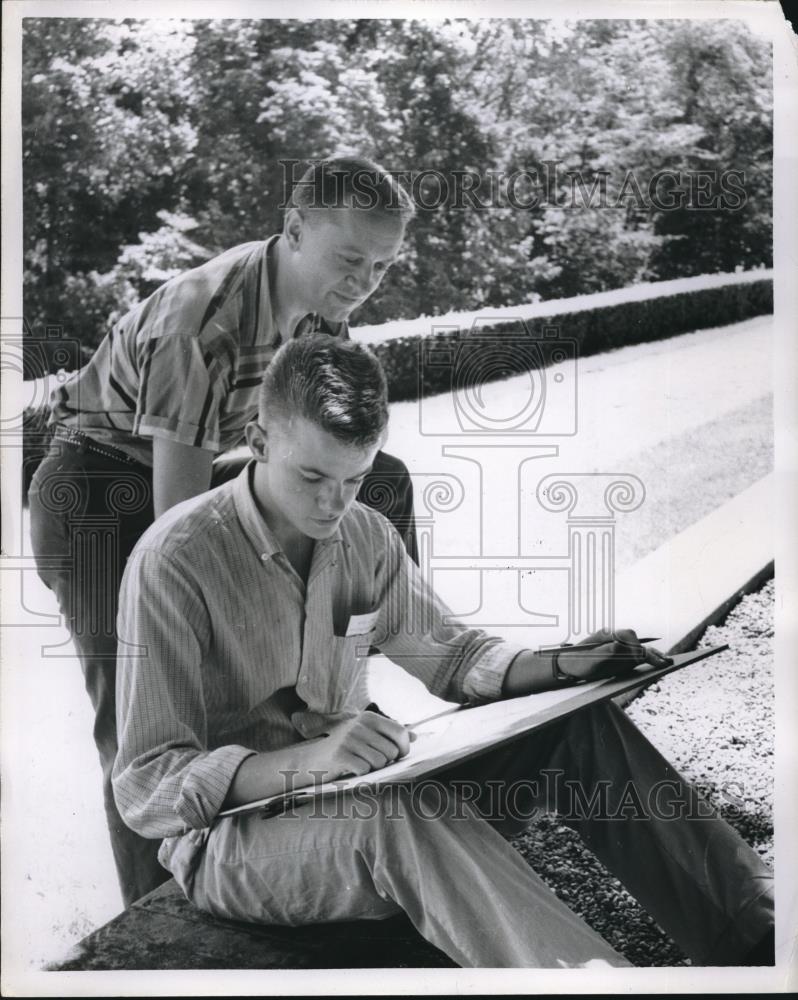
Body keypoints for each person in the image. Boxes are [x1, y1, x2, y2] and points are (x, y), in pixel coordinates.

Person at [113, 335, 774, 968]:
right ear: (258, 441)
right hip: (236, 844)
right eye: (312, 475)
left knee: (581, 724)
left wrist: (563, 666)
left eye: (353, 479)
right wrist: (302, 763)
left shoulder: (364, 535)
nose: (331, 503)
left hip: (368, 795)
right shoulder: (176, 561)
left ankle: (761, 938)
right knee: (398, 815)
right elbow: (145, 784)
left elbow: (451, 659)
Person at [27, 156, 418, 907]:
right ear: (294, 229)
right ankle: (156, 922)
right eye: (349, 260)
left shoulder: (323, 308)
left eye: (381, 265)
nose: (364, 281)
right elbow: (178, 530)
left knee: (388, 477)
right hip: (98, 493)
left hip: (183, 467)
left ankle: (331, 699)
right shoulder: (202, 325)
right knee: (144, 720)